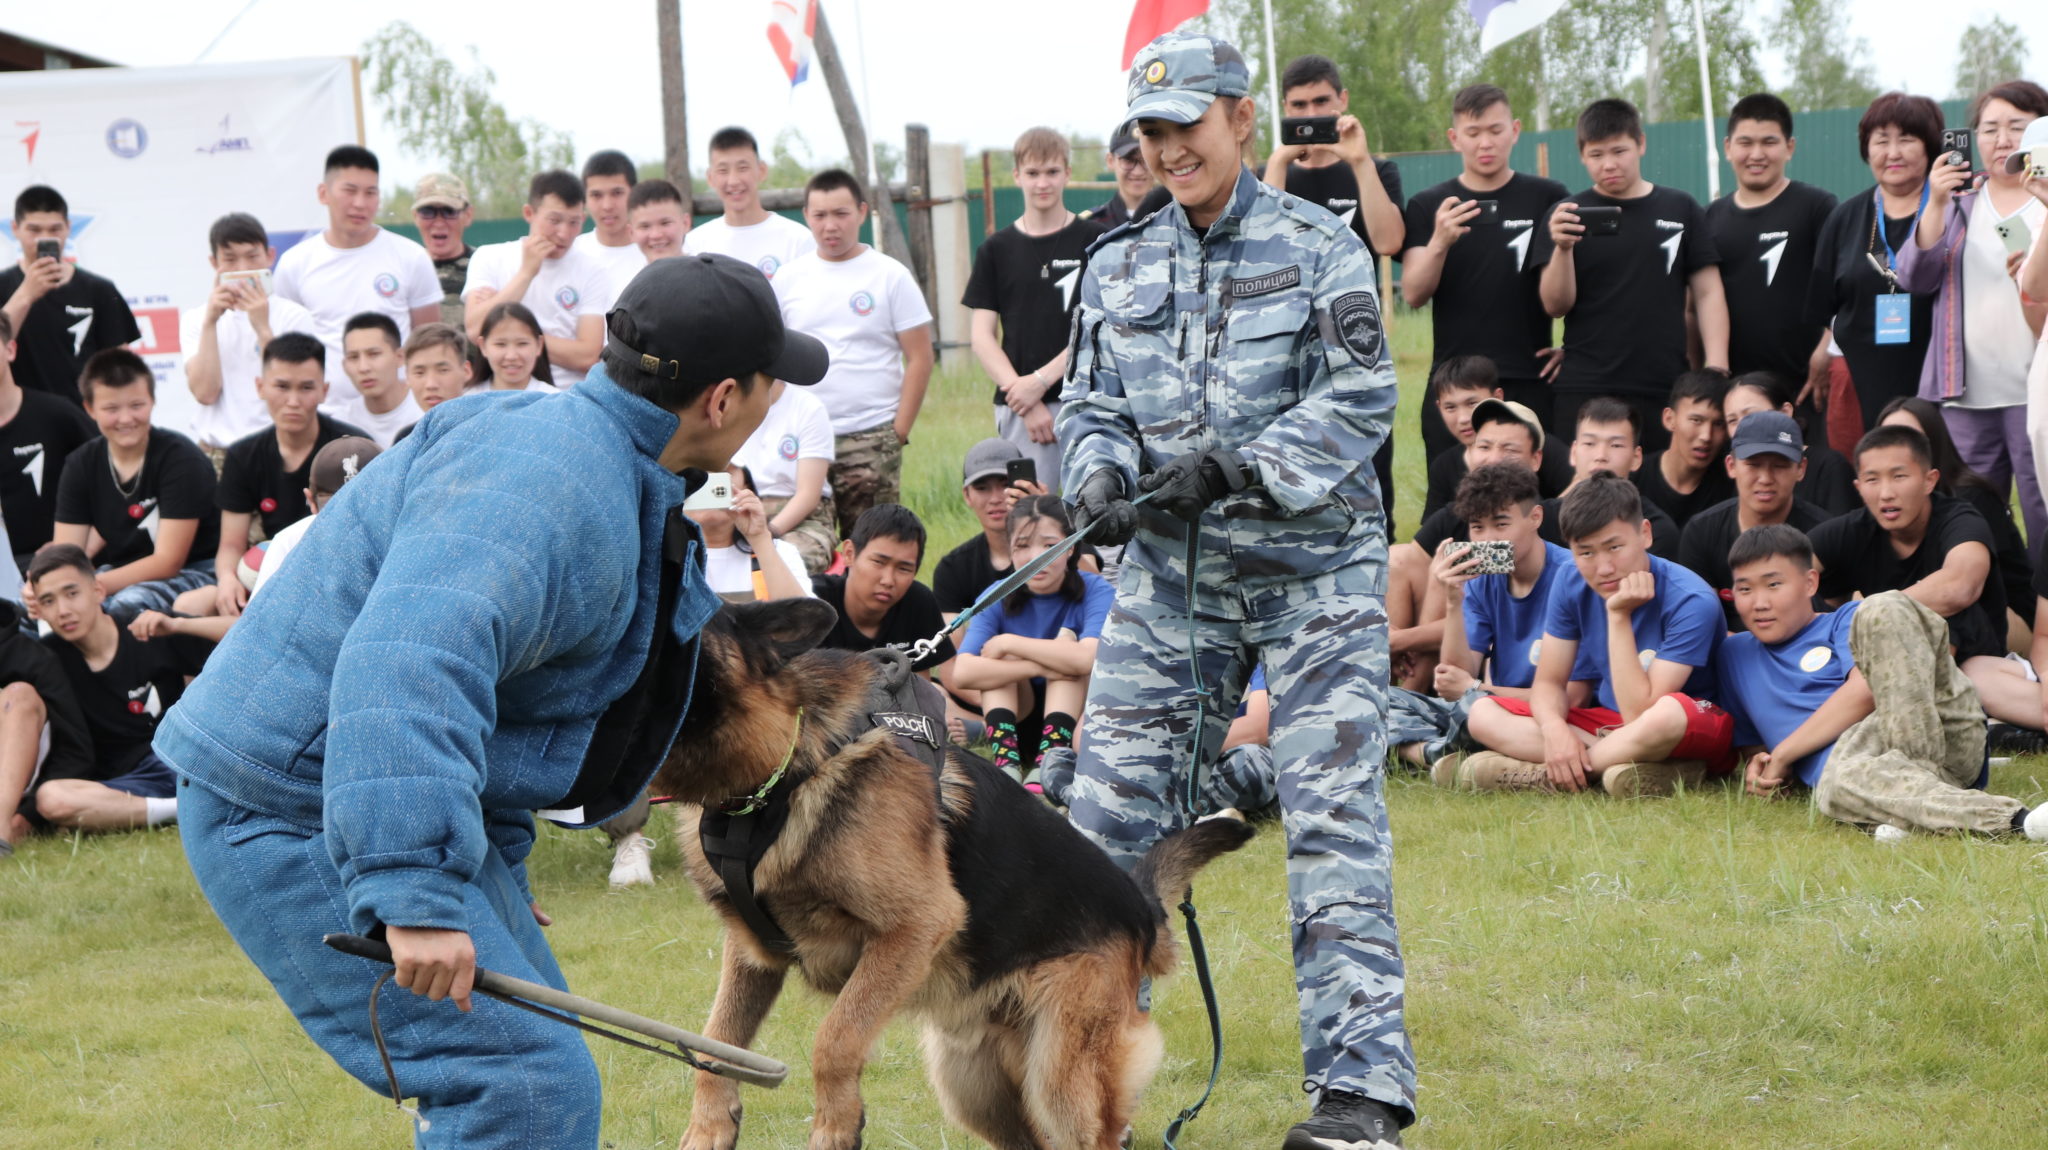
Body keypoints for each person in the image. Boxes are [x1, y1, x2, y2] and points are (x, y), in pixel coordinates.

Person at [156, 252, 829, 1146]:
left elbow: (516, 696)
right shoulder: (551, 485)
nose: (775, 399)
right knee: (520, 1086)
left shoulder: (591, 457)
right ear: (722, 399)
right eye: (770, 383)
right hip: (289, 806)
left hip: (351, 795)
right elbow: (409, 662)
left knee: (540, 1068)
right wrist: (416, 889)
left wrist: (488, 853)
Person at [1059, 33, 1414, 1146]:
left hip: (1314, 574)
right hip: (1173, 581)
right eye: (1151, 134)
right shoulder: (1114, 264)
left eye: (1187, 128)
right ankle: (1079, 1071)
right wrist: (1100, 476)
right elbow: (1086, 402)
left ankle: (1358, 1096)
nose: (1169, 150)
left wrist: (1243, 465)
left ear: (1240, 121)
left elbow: (1361, 395)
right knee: (1104, 819)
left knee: (1329, 810)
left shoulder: (1321, 246)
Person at [1721, 524, 2048, 843]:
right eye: (1745, 589)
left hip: (1936, 732)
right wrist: (1762, 766)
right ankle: (2016, 821)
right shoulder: (1733, 655)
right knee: (1837, 782)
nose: (1759, 602)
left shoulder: (1842, 619)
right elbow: (1755, 745)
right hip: (1862, 777)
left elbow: (1865, 691)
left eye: (1773, 584)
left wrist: (1784, 753)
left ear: (1810, 583)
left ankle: (1913, 781)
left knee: (1881, 606)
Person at [1458, 473, 1731, 795]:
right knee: (1482, 713)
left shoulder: (1690, 598)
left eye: (1614, 547)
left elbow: (1641, 711)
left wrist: (1618, 616)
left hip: (1688, 723)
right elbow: (1548, 682)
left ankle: (1547, 775)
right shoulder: (1570, 579)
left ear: (1644, 534)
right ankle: (1627, 767)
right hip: (1607, 722)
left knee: (1666, 714)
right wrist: (1555, 730)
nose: (1603, 568)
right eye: (1586, 553)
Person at [1895, 80, 2048, 542]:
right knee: (1970, 514)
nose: (2002, 139)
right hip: (1965, 391)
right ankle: (1987, 612)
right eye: (1989, 128)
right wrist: (1936, 201)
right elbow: (1913, 278)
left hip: (2036, 386)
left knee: (2042, 509)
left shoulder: (2045, 202)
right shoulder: (1960, 202)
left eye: (2017, 127)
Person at [1532, 99, 1727, 451]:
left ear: (1641, 143)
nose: (1609, 164)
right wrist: (1561, 247)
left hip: (1663, 382)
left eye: (1619, 151)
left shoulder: (1680, 207)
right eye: (1596, 154)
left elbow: (1708, 292)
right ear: (1581, 155)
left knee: (1657, 490)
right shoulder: (1566, 214)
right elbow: (1555, 305)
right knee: (1584, 496)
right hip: (1584, 384)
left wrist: (1716, 367)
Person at [1808, 424, 2033, 727]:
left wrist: (1863, 614)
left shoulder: (1960, 518)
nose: (1886, 493)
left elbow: (1960, 586)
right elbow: (1787, 573)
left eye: (1899, 476)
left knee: (1942, 612)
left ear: (1930, 481)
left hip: (1972, 660)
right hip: (1887, 666)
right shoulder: (1852, 529)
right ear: (1859, 487)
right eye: (1872, 479)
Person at [1262, 53, 1406, 511]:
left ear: (1342, 101)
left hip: (1354, 355)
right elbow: (1264, 253)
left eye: (1321, 102)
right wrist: (1280, 162)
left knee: (1368, 491)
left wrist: (1360, 162)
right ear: (1284, 108)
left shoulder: (1376, 170)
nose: (1310, 116)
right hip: (1286, 360)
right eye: (1298, 106)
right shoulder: (1269, 177)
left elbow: (1389, 242)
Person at [1401, 84, 1569, 444]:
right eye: (1473, 133)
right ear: (1454, 138)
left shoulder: (1548, 197)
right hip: (1454, 387)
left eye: (1495, 130)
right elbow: (1413, 294)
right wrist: (1439, 242)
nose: (1485, 143)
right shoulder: (1428, 204)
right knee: (1456, 497)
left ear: (1515, 130)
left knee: (1535, 495)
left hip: (1529, 378)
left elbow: (1567, 295)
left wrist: (1574, 348)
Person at [776, 169, 935, 537]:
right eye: (820, 215)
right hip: (804, 437)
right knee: (803, 546)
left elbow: (921, 357)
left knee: (870, 546)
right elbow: (774, 359)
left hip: (870, 436)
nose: (831, 226)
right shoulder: (787, 279)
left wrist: (898, 432)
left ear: (862, 213)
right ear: (806, 217)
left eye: (841, 214)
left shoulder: (889, 275)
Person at [25, 544, 214, 838]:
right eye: (48, 601)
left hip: (182, 756)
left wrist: (178, 625)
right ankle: (175, 810)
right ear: (38, 609)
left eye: (72, 593)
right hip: (129, 782)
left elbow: (247, 637)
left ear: (98, 591)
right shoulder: (47, 660)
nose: (63, 610)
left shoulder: (146, 626)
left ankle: (172, 805)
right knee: (52, 799)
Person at [1392, 464, 1572, 769]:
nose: (1488, 540)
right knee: (1370, 698)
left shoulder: (1571, 577)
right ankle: (1430, 752)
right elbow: (1453, 680)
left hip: (1543, 714)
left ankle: (1428, 750)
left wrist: (1477, 690)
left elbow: (1574, 698)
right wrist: (1453, 599)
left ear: (1535, 518)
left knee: (1479, 713)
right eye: (1477, 528)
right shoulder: (1481, 582)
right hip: (1486, 706)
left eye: (1501, 525)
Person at [965, 127, 1104, 488]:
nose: (1043, 183)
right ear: (1016, 176)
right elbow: (982, 337)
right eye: (1033, 173)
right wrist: (1023, 397)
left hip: (1087, 401)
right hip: (1020, 410)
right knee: (1031, 518)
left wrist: (1041, 382)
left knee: (1092, 516)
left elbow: (1098, 326)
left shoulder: (1095, 241)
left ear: (1067, 174)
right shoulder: (995, 249)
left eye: (1052, 172)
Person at [1806, 93, 1946, 445]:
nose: (1893, 153)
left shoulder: (1953, 207)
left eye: (1907, 140)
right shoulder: (1846, 217)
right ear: (1867, 150)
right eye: (1881, 141)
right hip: (1858, 378)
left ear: (1930, 147)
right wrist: (1823, 350)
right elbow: (1827, 306)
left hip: (1937, 376)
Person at [49, 350, 220, 620]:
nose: (126, 419)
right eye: (111, 409)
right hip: (116, 572)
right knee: (36, 611)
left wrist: (89, 588)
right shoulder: (80, 464)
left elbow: (168, 561)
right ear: (90, 409)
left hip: (197, 571)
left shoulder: (182, 459)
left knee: (125, 607)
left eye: (136, 406)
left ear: (152, 401)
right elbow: (65, 553)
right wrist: (53, 588)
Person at [952, 495, 1113, 779]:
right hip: (1016, 723)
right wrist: (1039, 661)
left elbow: (1088, 659)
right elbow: (963, 672)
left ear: (1071, 547)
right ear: (1010, 550)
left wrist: (1009, 643)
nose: (1036, 557)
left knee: (1067, 660)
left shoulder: (1096, 589)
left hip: (1074, 727)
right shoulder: (996, 595)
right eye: (1022, 546)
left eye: (1050, 545)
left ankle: (1049, 763)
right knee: (1041, 659)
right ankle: (1007, 765)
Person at [211, 333, 371, 619]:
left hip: (337, 577)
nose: (293, 401)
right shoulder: (242, 455)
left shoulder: (354, 449)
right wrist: (227, 579)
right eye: (282, 386)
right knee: (189, 605)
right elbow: (231, 545)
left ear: (324, 390)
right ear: (260, 387)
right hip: (265, 574)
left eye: (306, 387)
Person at [273, 147, 442, 400]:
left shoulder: (411, 257)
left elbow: (428, 342)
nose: (360, 203)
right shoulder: (295, 263)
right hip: (325, 412)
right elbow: (287, 345)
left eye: (370, 193)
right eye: (350, 191)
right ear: (323, 193)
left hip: (399, 413)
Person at [1876, 395, 2037, 660]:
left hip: (2005, 618)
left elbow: (1962, 589)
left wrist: (1875, 610)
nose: (1898, 450)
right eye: (1887, 439)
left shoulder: (1970, 496)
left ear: (1934, 441)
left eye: (1911, 439)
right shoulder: (1883, 503)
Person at [1705, 94, 1839, 401]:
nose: (1756, 154)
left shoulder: (1817, 207)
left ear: (1789, 147)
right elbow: (1696, 305)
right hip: (1736, 393)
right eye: (1745, 143)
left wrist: (1826, 349)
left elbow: (1841, 289)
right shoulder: (1710, 218)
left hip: (1808, 386)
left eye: (1768, 142)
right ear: (1727, 148)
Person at [1680, 411, 1833, 630]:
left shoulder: (1827, 534)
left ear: (1801, 469)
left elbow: (1835, 624)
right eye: (1753, 465)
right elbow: (1698, 624)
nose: (1765, 479)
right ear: (1731, 466)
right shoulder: (1701, 531)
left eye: (1779, 466)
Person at [182, 212, 317, 459]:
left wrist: (262, 328)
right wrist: (211, 321)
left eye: (252, 256)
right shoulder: (197, 319)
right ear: (214, 263)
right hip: (218, 453)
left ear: (270, 256)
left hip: (280, 451)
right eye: (230, 259)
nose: (243, 269)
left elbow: (294, 386)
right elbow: (205, 393)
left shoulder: (295, 316)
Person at [461, 170, 609, 388]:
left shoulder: (591, 269)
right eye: (554, 220)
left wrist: (512, 337)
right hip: (501, 392)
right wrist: (526, 274)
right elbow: (475, 330)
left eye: (574, 222)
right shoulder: (490, 257)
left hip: (565, 393)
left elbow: (588, 356)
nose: (564, 233)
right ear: (529, 213)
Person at [2, 185, 140, 406]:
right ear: (15, 229)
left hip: (84, 419)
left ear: (68, 227)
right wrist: (26, 293)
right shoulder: (3, 286)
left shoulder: (99, 289)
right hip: (19, 419)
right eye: (34, 230)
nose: (44, 238)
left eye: (55, 229)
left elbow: (119, 368)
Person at [1419, 355, 1571, 520]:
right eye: (1450, 407)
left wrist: (1545, 518)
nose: (1462, 418)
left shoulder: (1538, 445)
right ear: (1439, 407)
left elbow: (1584, 488)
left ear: (1497, 397)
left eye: (1472, 403)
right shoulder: (1443, 466)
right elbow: (1431, 536)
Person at [0, 312, 96, 573]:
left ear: (10, 349)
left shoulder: (57, 414)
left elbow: (110, 482)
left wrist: (72, 546)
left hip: (59, 562)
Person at [0, 595, 95, 859]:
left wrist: (28, 817)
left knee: (19, 695)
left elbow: (74, 752)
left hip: (18, 797)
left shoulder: (31, 658)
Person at [810, 503, 955, 674]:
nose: (888, 580)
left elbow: (921, 691)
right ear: (849, 554)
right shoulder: (813, 602)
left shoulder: (918, 602)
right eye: (878, 562)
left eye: (904, 569)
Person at [1540, 397, 1682, 559]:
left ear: (1636, 458)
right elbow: (1504, 568)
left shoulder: (1657, 530)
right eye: (1589, 443)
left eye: (1616, 445)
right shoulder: (1538, 518)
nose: (1601, 456)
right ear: (1573, 453)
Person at [250, 436, 382, 598]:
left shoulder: (290, 541)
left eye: (364, 504)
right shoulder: (290, 541)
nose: (352, 518)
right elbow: (262, 619)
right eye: (336, 507)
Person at [729, 376, 835, 573]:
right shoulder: (729, 407)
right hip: (740, 510)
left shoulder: (808, 408)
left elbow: (808, 495)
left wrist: (767, 534)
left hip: (801, 518)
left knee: (792, 562)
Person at [682, 126, 815, 280]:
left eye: (742, 168)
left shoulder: (798, 240)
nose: (733, 181)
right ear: (710, 177)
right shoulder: (694, 245)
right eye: (723, 171)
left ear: (762, 170)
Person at [1721, 370, 1859, 516]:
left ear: (1785, 411)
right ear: (1731, 466)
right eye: (1732, 420)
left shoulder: (1829, 465)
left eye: (1750, 415)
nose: (1743, 426)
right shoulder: (1739, 466)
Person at [934, 438, 1028, 621]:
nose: (995, 498)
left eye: (1005, 485)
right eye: (982, 488)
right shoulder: (952, 569)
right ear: (967, 495)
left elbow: (1093, 586)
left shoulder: (1060, 542)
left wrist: (1044, 516)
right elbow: (952, 645)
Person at [1631, 370, 1734, 531]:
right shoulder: (1632, 478)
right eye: (1696, 420)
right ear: (1669, 419)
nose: (1707, 436)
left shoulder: (1731, 485)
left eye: (1719, 424)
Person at [689, 467, 810, 601]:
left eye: (722, 473)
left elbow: (802, 617)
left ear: (747, 488)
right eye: (698, 476)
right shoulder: (668, 556)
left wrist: (759, 538)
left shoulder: (781, 551)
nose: (710, 484)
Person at [334, 312, 423, 448]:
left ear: (400, 357)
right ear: (344, 366)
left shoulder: (426, 411)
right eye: (353, 357)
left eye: (374, 354)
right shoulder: (341, 426)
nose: (363, 367)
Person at [571, 150, 648, 298]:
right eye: (596, 195)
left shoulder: (656, 252)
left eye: (617, 193)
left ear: (634, 193)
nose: (607, 205)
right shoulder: (571, 254)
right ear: (584, 199)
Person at [411, 173, 475, 329]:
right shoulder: (405, 270)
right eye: (427, 212)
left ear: (467, 215)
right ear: (415, 217)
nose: (439, 222)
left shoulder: (484, 267)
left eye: (449, 211)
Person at [474, 301, 558, 394]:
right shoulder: (467, 400)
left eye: (522, 344)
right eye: (500, 344)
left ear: (539, 345)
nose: (511, 356)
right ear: (483, 346)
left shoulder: (555, 400)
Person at [1087, 124, 1159, 229]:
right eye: (1128, 160)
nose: (1138, 172)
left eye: (1145, 159)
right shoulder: (1092, 225)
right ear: (1110, 161)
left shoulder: (1179, 220)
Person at [402, 323, 476, 420]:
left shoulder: (489, 429)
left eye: (443, 370)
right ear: (407, 377)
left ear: (466, 371)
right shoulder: (408, 434)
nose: (431, 384)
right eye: (419, 373)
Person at [627, 178, 690, 263]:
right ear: (631, 232)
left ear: (685, 223)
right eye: (645, 227)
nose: (656, 235)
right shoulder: (628, 276)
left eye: (665, 223)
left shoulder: (707, 274)